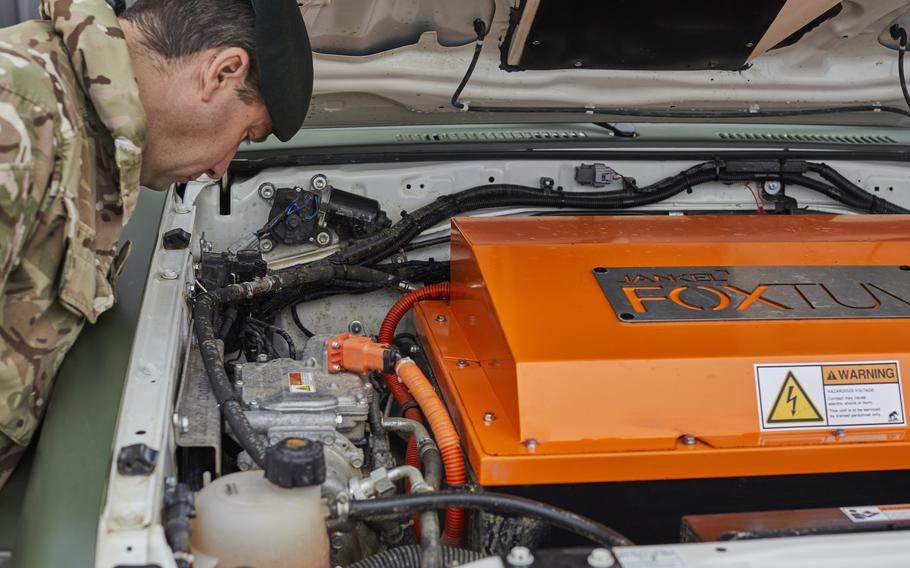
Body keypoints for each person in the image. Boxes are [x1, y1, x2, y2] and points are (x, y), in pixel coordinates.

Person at [0, 0, 313, 488]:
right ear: (223, 71)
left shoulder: (87, 133)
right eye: (245, 134)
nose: (220, 168)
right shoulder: (20, 118)